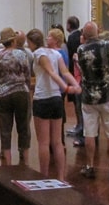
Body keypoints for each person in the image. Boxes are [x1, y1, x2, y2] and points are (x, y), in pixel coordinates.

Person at [26, 28, 81, 181]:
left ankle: (44, 177)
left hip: (42, 99)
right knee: (57, 142)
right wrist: (75, 84)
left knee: (44, 143)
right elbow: (66, 72)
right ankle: (61, 178)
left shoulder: (38, 54)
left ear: (31, 42)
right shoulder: (56, 53)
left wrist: (66, 88)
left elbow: (52, 73)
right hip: (56, 99)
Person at [76, 21, 109, 180]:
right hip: (108, 94)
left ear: (84, 34)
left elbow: (82, 68)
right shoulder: (107, 45)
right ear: (97, 32)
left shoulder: (81, 49)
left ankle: (90, 166)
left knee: (89, 133)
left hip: (89, 96)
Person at [0, 27, 32, 164]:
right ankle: (26, 161)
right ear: (13, 40)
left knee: (5, 129)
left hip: (3, 94)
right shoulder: (22, 55)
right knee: (23, 128)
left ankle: (8, 162)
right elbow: (27, 74)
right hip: (21, 92)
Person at [65, 16, 84, 143]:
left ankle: (80, 127)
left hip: (75, 74)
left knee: (79, 104)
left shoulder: (72, 37)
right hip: (77, 75)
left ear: (69, 25)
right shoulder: (78, 35)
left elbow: (71, 56)